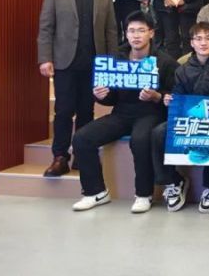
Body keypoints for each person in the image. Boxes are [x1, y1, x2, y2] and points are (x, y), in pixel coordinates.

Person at [70, 11, 177, 212]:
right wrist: (101, 95)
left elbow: (174, 96)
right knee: (82, 138)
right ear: (126, 34)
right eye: (131, 31)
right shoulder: (116, 59)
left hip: (151, 113)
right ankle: (95, 192)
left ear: (151, 33)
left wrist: (157, 96)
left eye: (141, 31)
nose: (136, 35)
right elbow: (111, 98)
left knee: (140, 139)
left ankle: (144, 194)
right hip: (121, 113)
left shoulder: (165, 61)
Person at [37, 0, 119, 177]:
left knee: (86, 111)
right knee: (63, 110)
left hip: (94, 63)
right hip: (65, 62)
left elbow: (111, 32)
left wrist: (111, 64)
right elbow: (46, 28)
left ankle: (82, 155)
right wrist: (45, 58)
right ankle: (60, 157)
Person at [153, 22, 209, 214]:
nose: (203, 43)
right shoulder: (182, 69)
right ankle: (173, 182)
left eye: (208, 38)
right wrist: (169, 100)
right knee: (158, 133)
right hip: (188, 120)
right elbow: (178, 97)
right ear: (191, 43)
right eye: (198, 39)